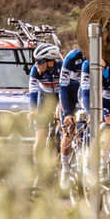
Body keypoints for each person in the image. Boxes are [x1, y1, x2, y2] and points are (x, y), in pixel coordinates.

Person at [29, 43, 65, 174]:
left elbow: (67, 90)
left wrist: (62, 108)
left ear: (51, 61)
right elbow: (32, 92)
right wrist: (33, 110)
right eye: (36, 62)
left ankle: (62, 157)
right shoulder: (35, 70)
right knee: (40, 137)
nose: (37, 65)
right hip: (44, 98)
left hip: (61, 96)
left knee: (64, 126)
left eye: (40, 62)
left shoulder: (62, 67)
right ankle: (38, 173)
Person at [58, 47, 87, 187]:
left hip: (88, 97)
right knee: (70, 132)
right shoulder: (72, 58)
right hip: (71, 96)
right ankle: (65, 169)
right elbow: (62, 86)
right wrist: (68, 112)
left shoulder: (103, 54)